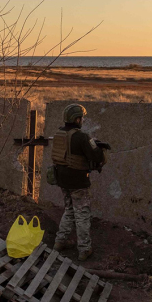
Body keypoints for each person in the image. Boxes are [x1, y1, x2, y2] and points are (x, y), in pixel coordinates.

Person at [51, 103, 107, 261]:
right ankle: (84, 249)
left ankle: (59, 242)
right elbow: (97, 157)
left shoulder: (58, 134)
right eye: (81, 118)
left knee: (69, 210)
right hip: (78, 182)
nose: (82, 120)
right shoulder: (82, 136)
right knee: (82, 214)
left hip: (62, 179)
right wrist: (99, 148)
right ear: (76, 119)